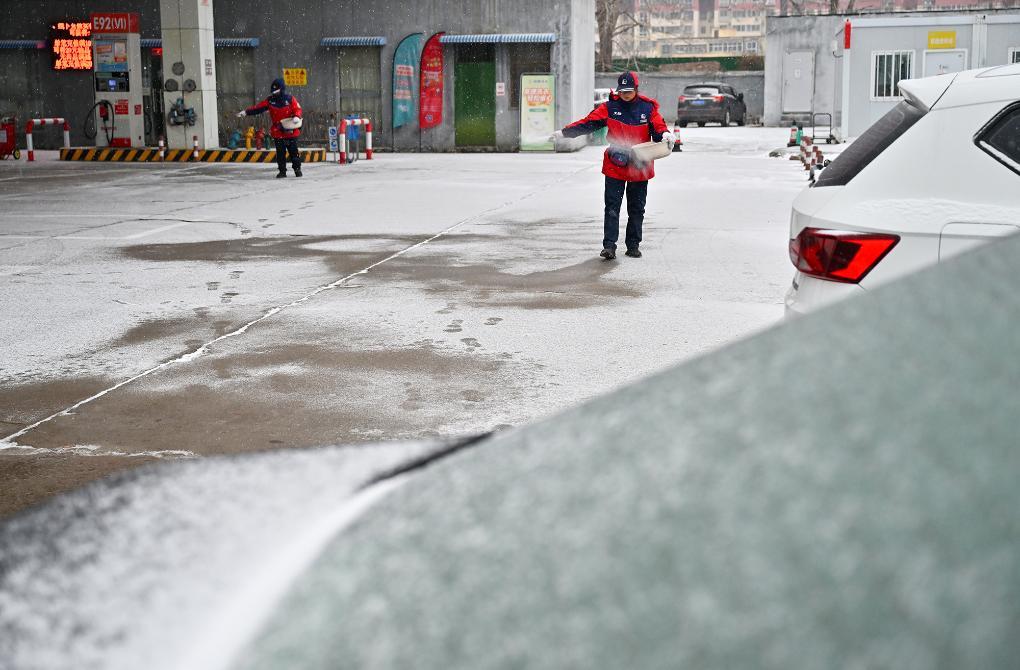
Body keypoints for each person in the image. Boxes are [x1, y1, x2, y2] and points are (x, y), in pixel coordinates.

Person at [553, 72, 674, 259]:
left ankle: (633, 245)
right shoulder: (609, 107)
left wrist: (665, 135)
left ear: (636, 89)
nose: (625, 95)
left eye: (629, 91)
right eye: (622, 91)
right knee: (612, 206)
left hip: (639, 165)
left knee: (636, 208)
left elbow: (658, 128)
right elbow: (588, 123)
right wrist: (564, 133)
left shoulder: (647, 108)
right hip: (615, 165)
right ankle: (609, 246)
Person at [238, 78, 303, 178]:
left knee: (294, 153)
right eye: (273, 91)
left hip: (291, 131)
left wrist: (296, 117)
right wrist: (246, 112)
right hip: (278, 132)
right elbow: (258, 108)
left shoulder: (290, 99)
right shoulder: (270, 101)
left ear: (282, 89)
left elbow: (297, 108)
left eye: (277, 91)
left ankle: (297, 169)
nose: (275, 93)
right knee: (280, 154)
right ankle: (282, 171)